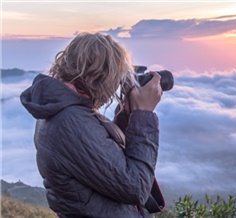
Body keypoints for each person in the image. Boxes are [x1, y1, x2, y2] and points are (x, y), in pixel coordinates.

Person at [20, 32, 164, 218]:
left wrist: (127, 113)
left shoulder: (67, 109)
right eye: (116, 77)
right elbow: (137, 188)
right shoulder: (69, 121)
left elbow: (105, 153)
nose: (115, 86)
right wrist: (144, 115)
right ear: (103, 75)